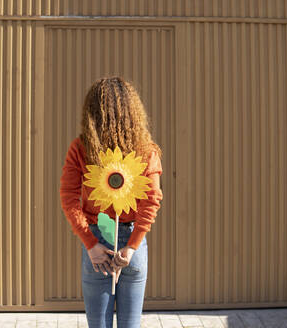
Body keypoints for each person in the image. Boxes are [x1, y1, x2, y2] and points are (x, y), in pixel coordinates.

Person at [59, 76, 163, 328]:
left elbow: (69, 197)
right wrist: (132, 246)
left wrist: (91, 244)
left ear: (92, 112)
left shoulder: (81, 148)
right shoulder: (146, 150)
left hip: (97, 245)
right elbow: (152, 201)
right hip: (132, 247)